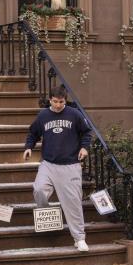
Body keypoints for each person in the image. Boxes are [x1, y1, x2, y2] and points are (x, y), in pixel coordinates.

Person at [23, 85, 92, 252]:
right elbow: (33, 133)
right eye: (55, 102)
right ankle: (48, 215)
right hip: (48, 164)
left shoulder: (74, 114)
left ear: (65, 100)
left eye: (61, 102)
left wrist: (84, 148)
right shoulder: (43, 115)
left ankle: (79, 239)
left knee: (73, 204)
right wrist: (28, 147)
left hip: (70, 165)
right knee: (39, 190)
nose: (58, 105)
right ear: (50, 100)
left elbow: (86, 132)